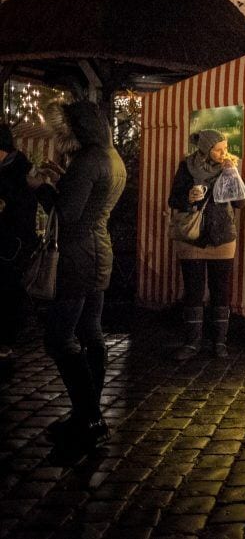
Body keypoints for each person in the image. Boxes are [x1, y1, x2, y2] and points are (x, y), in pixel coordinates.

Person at [36, 101, 126, 454]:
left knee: (59, 337)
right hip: (99, 251)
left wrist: (39, 187)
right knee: (91, 330)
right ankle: (86, 414)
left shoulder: (88, 160)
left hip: (77, 255)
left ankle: (89, 416)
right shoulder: (111, 157)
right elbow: (89, 200)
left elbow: (68, 214)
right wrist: (64, 178)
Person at [168, 129, 245, 361]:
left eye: (225, 148)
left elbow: (240, 202)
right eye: (219, 149)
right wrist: (188, 197)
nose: (224, 153)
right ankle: (192, 343)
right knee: (194, 290)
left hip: (222, 235)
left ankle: (219, 343)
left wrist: (232, 174)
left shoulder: (230, 166)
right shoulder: (187, 167)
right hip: (193, 237)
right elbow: (173, 199)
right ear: (205, 149)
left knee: (220, 291)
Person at [0, 125, 39, 359]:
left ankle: (6, 339)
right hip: (8, 240)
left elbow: (22, 208)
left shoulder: (18, 171)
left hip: (13, 242)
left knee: (8, 289)